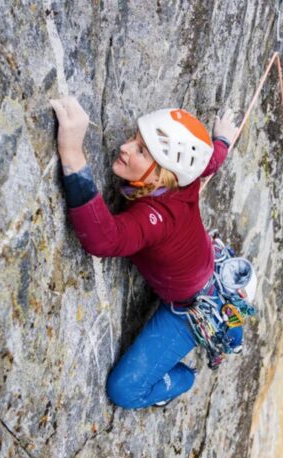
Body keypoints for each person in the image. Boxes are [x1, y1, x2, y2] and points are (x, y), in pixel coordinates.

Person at [50, 97, 241, 409]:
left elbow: (103, 239)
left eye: (141, 150)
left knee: (125, 392)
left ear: (159, 176)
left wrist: (71, 152)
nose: (125, 147)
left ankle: (182, 379)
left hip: (191, 307)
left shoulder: (156, 220)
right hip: (206, 272)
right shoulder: (185, 176)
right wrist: (221, 141)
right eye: (135, 140)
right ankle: (229, 327)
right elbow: (211, 162)